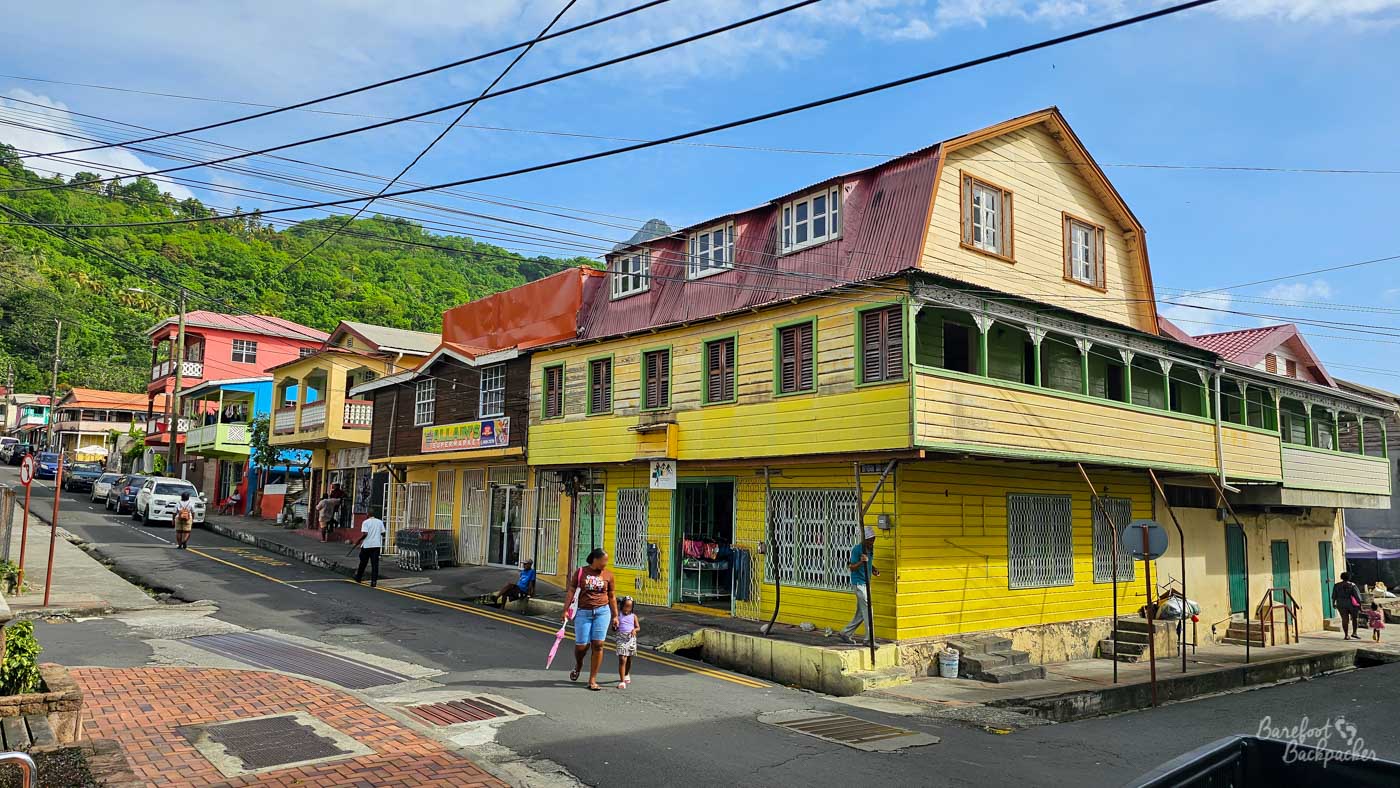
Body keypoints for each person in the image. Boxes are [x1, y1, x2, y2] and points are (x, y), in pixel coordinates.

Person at [563, 548, 617, 691]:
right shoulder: (581, 572)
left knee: (598, 644)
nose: (606, 563)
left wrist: (615, 616)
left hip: (602, 612)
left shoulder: (609, 575)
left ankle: (592, 679)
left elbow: (611, 596)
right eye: (604, 560)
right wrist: (565, 610)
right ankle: (579, 664)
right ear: (595, 559)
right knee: (582, 647)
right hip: (583, 612)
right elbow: (571, 591)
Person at [840, 527, 879, 645]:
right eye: (870, 540)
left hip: (866, 583)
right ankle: (869, 640)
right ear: (864, 539)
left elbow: (869, 562)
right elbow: (851, 567)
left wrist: (873, 568)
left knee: (861, 613)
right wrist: (862, 562)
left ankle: (846, 633)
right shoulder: (857, 549)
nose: (872, 542)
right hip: (859, 583)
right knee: (868, 610)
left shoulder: (870, 548)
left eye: (874, 539)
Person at [353, 512, 387, 587]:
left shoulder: (365, 522)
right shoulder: (380, 522)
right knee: (375, 564)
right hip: (376, 545)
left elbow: (365, 534)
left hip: (367, 545)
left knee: (363, 562)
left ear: (368, 514)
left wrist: (359, 540)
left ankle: (358, 577)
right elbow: (383, 533)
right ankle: (373, 582)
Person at [615, 596, 640, 690]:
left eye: (629, 607)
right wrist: (615, 627)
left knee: (629, 659)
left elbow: (638, 627)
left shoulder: (634, 616)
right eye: (625, 606)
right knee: (622, 659)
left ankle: (626, 674)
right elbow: (614, 628)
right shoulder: (618, 615)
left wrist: (634, 630)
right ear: (622, 606)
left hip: (631, 638)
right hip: (621, 638)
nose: (627, 609)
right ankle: (622, 681)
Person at [1333, 571, 1364, 640]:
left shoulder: (1337, 585)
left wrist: (1333, 603)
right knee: (1355, 618)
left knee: (1344, 619)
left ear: (1341, 577)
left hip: (1341, 604)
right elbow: (1357, 597)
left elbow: (1334, 596)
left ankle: (1346, 635)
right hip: (1351, 604)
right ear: (1349, 577)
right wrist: (1360, 605)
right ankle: (1354, 633)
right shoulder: (1352, 585)